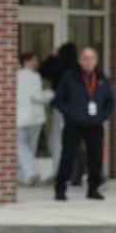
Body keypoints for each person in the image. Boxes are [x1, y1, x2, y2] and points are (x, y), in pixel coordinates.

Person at [53, 46, 114, 201]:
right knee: (68, 155)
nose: (88, 61)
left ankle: (93, 189)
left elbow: (110, 101)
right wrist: (71, 113)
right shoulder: (70, 77)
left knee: (95, 157)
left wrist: (102, 116)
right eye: (85, 58)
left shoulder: (101, 78)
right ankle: (60, 189)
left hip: (95, 124)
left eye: (91, 58)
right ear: (80, 60)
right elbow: (58, 100)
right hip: (74, 123)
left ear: (96, 61)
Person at [39, 42, 78, 175]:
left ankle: (60, 172)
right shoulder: (78, 69)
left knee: (56, 141)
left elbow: (43, 70)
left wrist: (52, 56)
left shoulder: (60, 67)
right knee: (71, 141)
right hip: (76, 110)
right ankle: (71, 172)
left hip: (61, 109)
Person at [16, 51, 54, 185]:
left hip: (19, 117)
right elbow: (36, 96)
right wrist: (50, 94)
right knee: (28, 147)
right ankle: (29, 173)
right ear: (27, 61)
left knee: (21, 146)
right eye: (35, 60)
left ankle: (24, 176)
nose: (36, 63)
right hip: (34, 117)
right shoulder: (34, 76)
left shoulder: (15, 76)